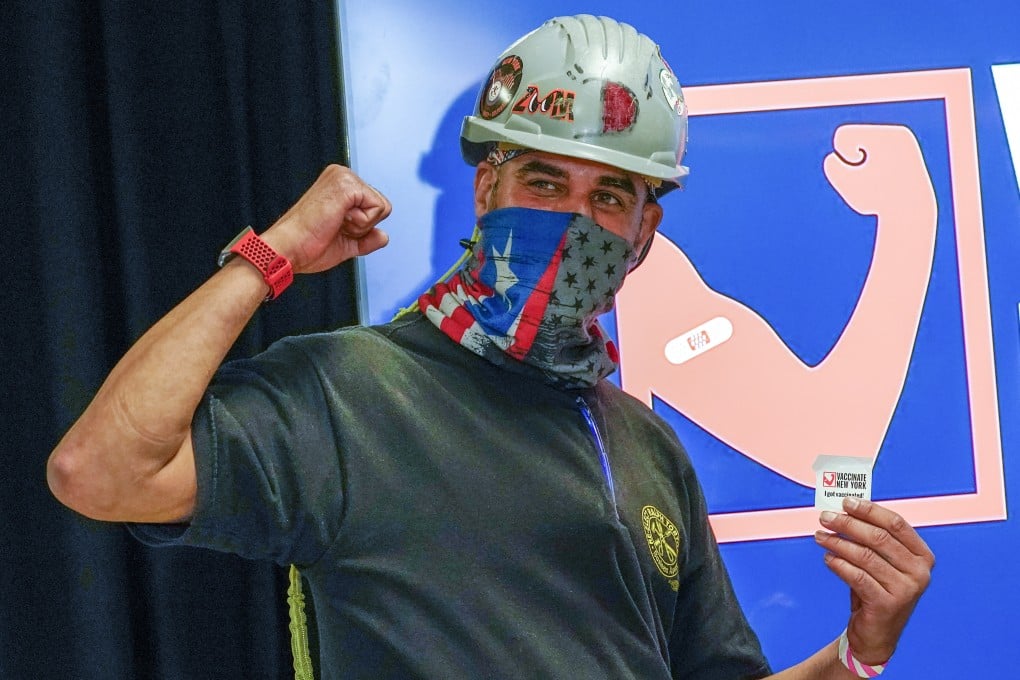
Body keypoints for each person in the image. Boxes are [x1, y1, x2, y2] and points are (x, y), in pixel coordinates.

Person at [47, 14, 933, 680]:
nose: (572, 223)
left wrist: (859, 653)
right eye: (544, 181)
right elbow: (99, 471)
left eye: (609, 198)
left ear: (646, 231)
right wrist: (267, 257)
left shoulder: (644, 444)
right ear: (486, 189)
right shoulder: (350, 390)